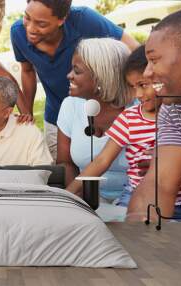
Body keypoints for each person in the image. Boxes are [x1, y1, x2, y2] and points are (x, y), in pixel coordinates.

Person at [10, 0, 139, 162]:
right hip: (56, 114)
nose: (30, 28)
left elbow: (134, 52)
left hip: (103, 108)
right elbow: (27, 71)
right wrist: (26, 111)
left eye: (41, 24)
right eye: (26, 18)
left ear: (61, 19)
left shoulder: (84, 20)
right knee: (62, 168)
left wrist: (138, 90)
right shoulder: (17, 33)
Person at [66, 45, 181, 211]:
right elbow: (102, 160)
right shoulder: (129, 118)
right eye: (132, 87)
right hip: (136, 195)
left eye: (143, 85)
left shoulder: (180, 116)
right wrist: (69, 194)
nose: (137, 95)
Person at [57, 38, 133, 203]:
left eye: (77, 71)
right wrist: (76, 199)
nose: (69, 76)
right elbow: (65, 163)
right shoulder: (70, 105)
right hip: (89, 197)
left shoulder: (141, 109)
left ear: (101, 78)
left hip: (136, 198)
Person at [127, 9, 181, 220]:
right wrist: (139, 241)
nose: (147, 72)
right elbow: (159, 183)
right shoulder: (174, 108)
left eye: (154, 60)